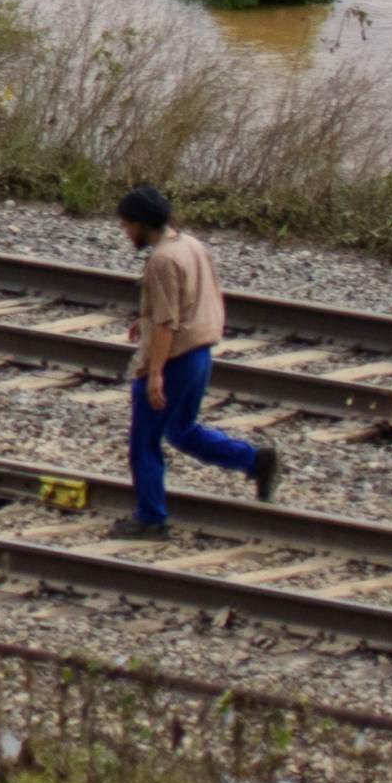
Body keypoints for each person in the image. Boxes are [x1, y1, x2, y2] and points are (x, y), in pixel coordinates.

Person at [114, 183, 275, 534]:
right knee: (182, 431)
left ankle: (151, 520)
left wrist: (154, 373)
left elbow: (168, 321)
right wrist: (144, 320)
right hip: (199, 356)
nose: (126, 233)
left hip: (174, 360)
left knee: (144, 442)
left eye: (127, 226)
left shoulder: (162, 259)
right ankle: (254, 460)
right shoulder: (191, 245)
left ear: (142, 223)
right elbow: (189, 300)